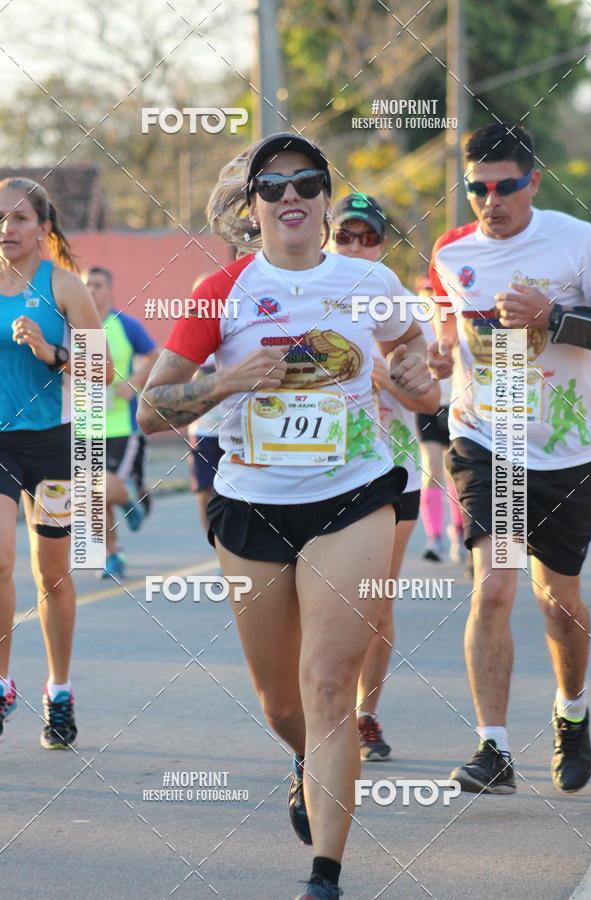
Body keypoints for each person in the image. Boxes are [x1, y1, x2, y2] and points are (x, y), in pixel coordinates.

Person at [138, 134, 433, 900]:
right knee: (282, 703)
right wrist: (228, 381)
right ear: (253, 206)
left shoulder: (372, 282)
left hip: (355, 493)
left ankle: (324, 877)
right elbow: (149, 410)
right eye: (272, 186)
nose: (290, 195)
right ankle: (307, 760)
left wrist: (413, 375)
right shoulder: (220, 291)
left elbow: (423, 383)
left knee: (331, 684)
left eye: (306, 181)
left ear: (327, 199)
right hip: (252, 504)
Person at [428, 123, 591, 794]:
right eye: (476, 188)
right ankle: (492, 749)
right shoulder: (451, 254)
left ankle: (572, 710)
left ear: (532, 179)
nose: (490, 200)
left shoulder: (578, 242)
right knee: (494, 583)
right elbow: (442, 328)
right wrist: (434, 354)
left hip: (566, 447)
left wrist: (552, 317)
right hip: (485, 441)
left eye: (503, 186)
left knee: (557, 598)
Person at [0, 177, 113, 748]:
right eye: (0, 218)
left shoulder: (64, 286)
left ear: (43, 228)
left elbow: (106, 372)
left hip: (50, 443)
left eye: (19, 218)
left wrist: (53, 353)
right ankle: (0, 685)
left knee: (52, 574)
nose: (7, 229)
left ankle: (59, 691)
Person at [330, 193, 440, 760]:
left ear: (382, 244)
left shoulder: (400, 307)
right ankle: (321, 715)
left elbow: (430, 398)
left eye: (366, 237)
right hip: (326, 475)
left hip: (394, 473)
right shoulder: (310, 299)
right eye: (344, 235)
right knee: (320, 605)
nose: (355, 246)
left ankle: (364, 714)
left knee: (375, 603)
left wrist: (384, 376)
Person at [85, 267, 158, 578]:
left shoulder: (124, 325)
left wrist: (133, 381)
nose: (91, 290)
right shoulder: (72, 327)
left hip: (120, 427)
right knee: (91, 496)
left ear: (109, 290)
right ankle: (112, 554)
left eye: (98, 285)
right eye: (86, 284)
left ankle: (129, 498)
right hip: (83, 425)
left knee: (103, 488)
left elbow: (156, 356)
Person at [413, 275, 466, 565]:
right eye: (426, 293)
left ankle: (458, 533)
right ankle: (435, 540)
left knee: (454, 474)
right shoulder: (414, 327)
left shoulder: (458, 323)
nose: (431, 299)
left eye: (435, 293)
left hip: (458, 405)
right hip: (429, 406)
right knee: (431, 470)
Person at [187, 355, 226, 532]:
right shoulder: (196, 342)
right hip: (203, 430)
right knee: (204, 491)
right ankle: (213, 543)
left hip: (238, 429)